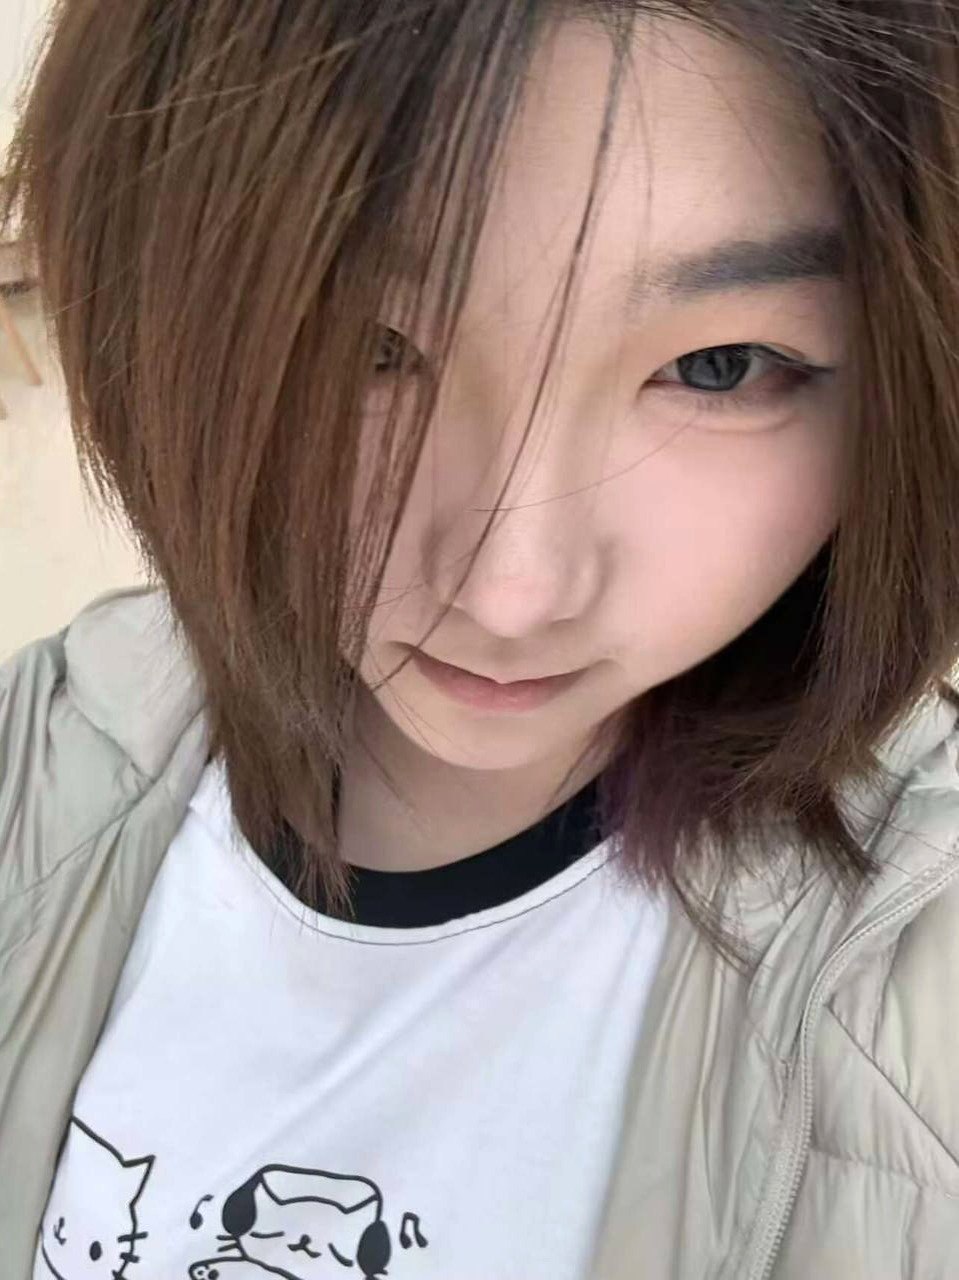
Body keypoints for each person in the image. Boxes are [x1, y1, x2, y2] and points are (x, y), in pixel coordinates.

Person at [3, 2, 959, 1276]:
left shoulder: (915, 990)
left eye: (721, 366)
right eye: (367, 346)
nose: (512, 589)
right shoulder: (43, 756)